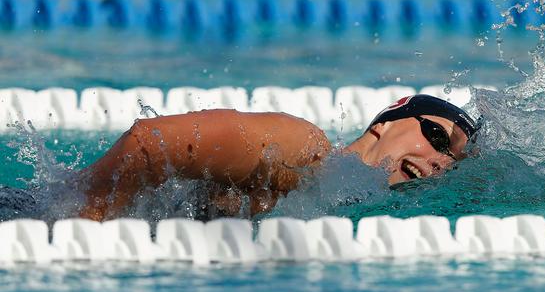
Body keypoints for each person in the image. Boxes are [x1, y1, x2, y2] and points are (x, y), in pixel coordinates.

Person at [78, 94, 481, 221]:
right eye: (437, 137)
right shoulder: (306, 152)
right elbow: (151, 142)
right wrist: (87, 227)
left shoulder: (350, 204)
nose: (441, 161)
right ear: (385, 123)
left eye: (453, 163)